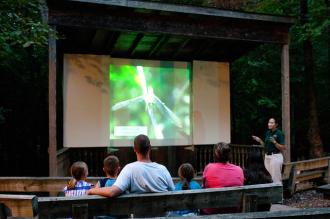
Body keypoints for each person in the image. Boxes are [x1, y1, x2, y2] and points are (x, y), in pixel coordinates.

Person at [87, 134, 174, 196]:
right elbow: (172, 192)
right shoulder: (163, 169)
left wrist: (92, 190)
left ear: (134, 149)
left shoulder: (130, 169)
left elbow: (112, 192)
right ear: (150, 148)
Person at [202, 142, 244, 215]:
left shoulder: (209, 168)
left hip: (212, 211)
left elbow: (204, 186)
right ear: (229, 155)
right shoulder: (239, 169)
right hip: (233, 211)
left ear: (215, 155)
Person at [252, 117, 285, 183]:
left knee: (275, 178)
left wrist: (275, 142)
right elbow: (265, 146)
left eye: (272, 123)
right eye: (269, 122)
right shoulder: (268, 133)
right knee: (268, 177)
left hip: (275, 156)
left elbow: (283, 147)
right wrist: (259, 140)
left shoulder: (279, 133)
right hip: (267, 157)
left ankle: (278, 192)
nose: (269, 124)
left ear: (276, 124)